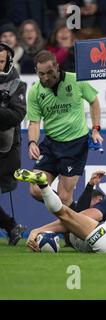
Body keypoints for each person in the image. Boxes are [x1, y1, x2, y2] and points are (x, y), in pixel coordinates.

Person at [26, 50, 103, 211]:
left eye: (50, 73)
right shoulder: (34, 91)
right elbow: (34, 122)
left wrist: (95, 129)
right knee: (35, 189)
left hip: (76, 145)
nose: (46, 77)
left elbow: (94, 101)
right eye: (41, 74)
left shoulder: (76, 80)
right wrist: (32, 142)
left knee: (64, 196)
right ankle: (74, 212)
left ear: (57, 67)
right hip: (51, 144)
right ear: (36, 72)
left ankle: (72, 229)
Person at [0, 42, 27, 245]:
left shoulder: (17, 84)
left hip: (5, 148)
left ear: (8, 61)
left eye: (0, 61)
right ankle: (12, 226)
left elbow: (17, 114)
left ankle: (11, 226)